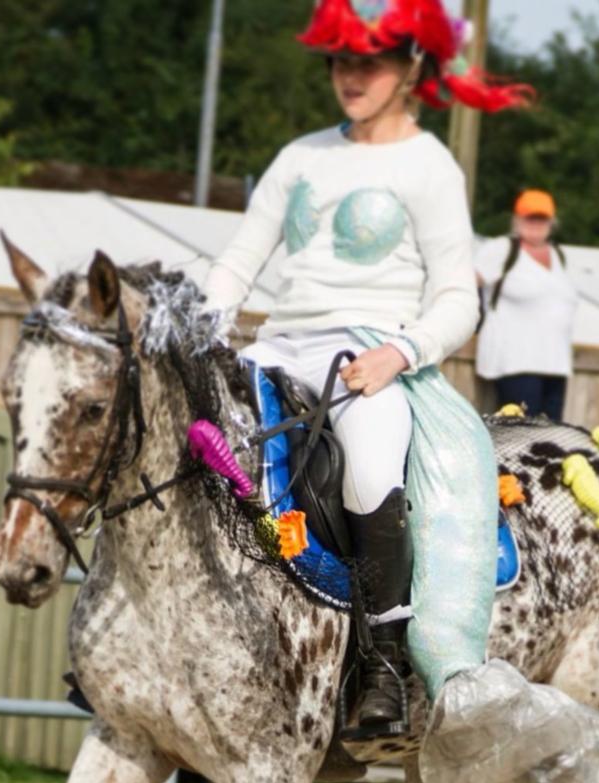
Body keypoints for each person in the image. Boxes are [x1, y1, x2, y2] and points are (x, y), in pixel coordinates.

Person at [204, 0, 530, 738]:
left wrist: (400, 353)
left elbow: (458, 298)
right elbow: (241, 259)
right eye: (341, 61)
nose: (350, 77)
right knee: (190, 433)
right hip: (278, 340)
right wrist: (203, 328)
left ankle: (383, 663)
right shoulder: (302, 155)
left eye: (369, 62)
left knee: (371, 463)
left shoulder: (429, 166)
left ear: (411, 69)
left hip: (369, 352)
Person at [474, 189, 579, 420]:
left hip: (554, 363)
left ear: (551, 222)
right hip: (516, 362)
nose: (535, 223)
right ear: (517, 219)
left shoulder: (558, 254)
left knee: (551, 439)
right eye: (529, 217)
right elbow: (467, 283)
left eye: (541, 218)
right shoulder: (502, 248)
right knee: (519, 434)